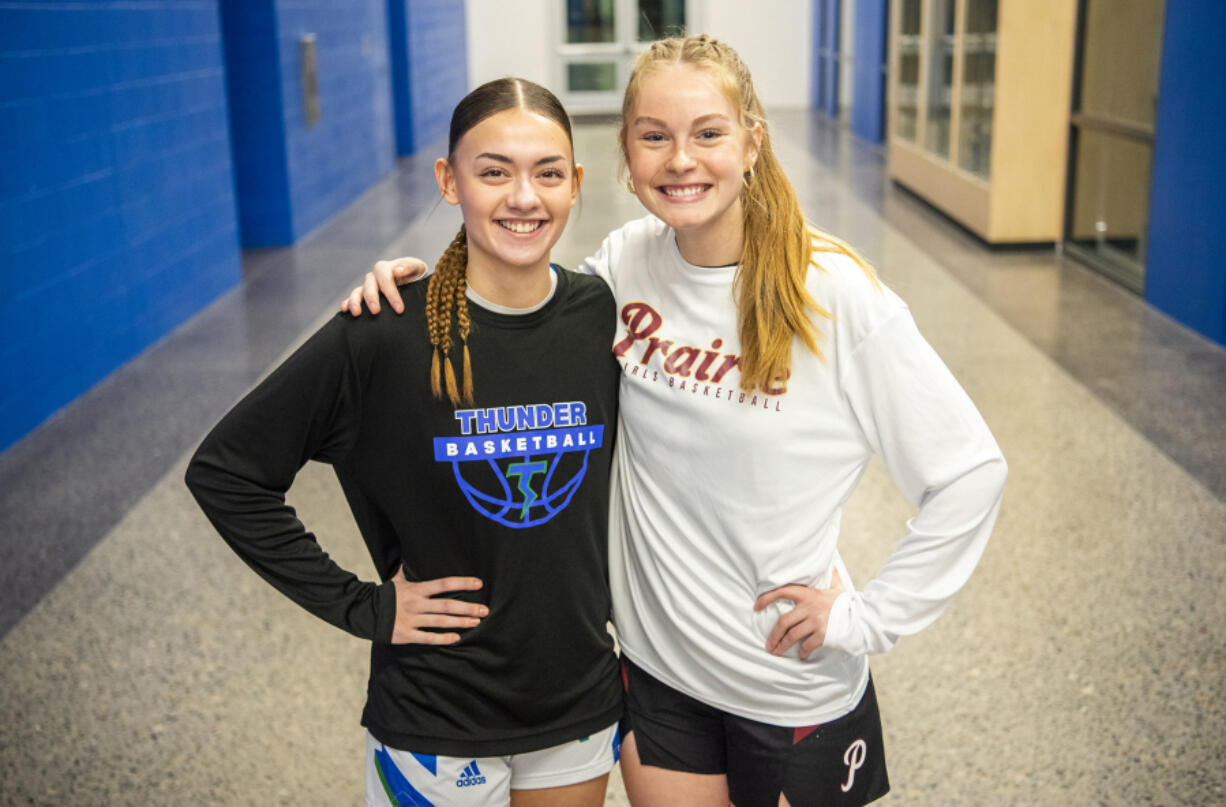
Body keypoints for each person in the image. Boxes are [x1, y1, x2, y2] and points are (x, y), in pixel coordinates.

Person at [343, 35, 1007, 807]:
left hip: (787, 686)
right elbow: (521, 325)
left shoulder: (833, 293)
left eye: (709, 133)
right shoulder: (627, 263)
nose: (680, 159)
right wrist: (420, 292)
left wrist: (867, 618)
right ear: (626, 154)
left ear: (752, 142)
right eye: (654, 136)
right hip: (659, 680)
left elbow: (969, 472)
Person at [186, 77, 625, 807]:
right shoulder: (383, 333)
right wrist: (365, 606)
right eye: (493, 171)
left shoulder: (601, 317)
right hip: (436, 712)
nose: (524, 196)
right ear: (448, 181)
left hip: (574, 698)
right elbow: (227, 472)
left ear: (575, 183)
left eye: (548, 172)